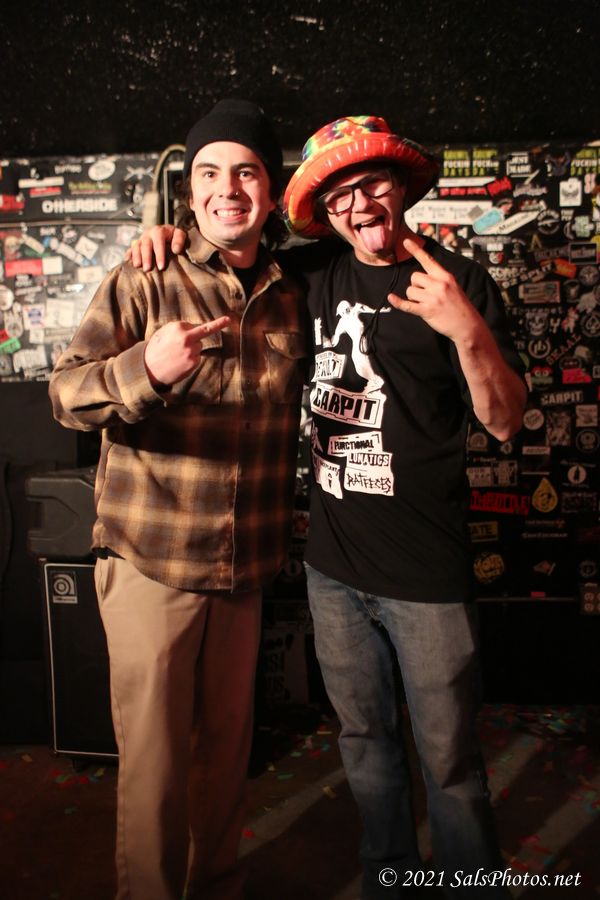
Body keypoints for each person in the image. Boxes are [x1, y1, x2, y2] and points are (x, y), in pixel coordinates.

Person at [131, 115, 527, 900]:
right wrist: (164, 237)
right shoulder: (308, 272)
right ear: (324, 212)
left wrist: (465, 330)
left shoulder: (460, 282)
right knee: (365, 747)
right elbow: (227, 240)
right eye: (340, 195)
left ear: (402, 186)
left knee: (450, 764)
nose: (360, 205)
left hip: (427, 577)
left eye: (372, 184)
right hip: (334, 574)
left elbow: (508, 422)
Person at [49, 99, 307, 900]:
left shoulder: (292, 290)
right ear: (189, 191)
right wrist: (146, 371)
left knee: (227, 759)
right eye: (209, 173)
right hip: (151, 562)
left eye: (246, 172)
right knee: (156, 767)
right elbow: (65, 396)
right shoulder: (146, 274)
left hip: (244, 568)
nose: (228, 189)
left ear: (271, 189)